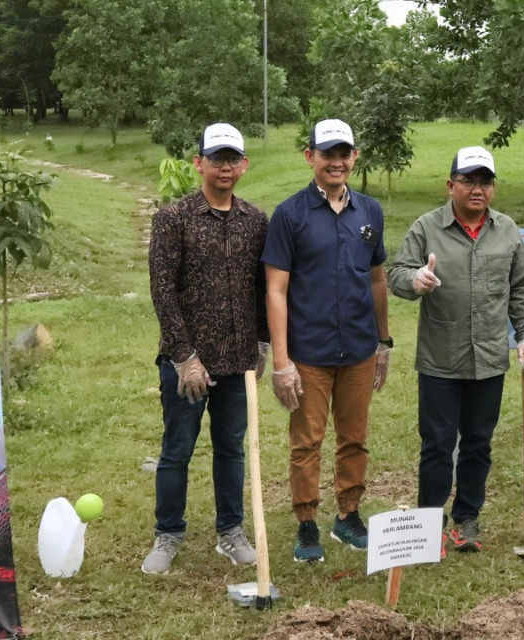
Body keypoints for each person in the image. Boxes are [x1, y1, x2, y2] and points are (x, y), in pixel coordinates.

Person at [388, 146, 524, 554]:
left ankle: (467, 518)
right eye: (468, 181)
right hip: (440, 358)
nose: (477, 189)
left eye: (485, 182)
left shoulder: (506, 230)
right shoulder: (427, 227)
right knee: (437, 443)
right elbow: (396, 272)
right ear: (450, 185)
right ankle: (429, 523)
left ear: (493, 188)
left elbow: (520, 288)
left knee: (478, 442)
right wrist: (415, 280)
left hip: (488, 359)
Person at [141, 123, 270, 575]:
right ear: (199, 163)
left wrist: (262, 343)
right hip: (186, 364)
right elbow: (162, 290)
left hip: (237, 362)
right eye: (217, 159)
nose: (225, 168)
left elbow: (262, 288)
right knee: (177, 449)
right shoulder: (173, 219)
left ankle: (230, 531)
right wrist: (185, 357)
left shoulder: (256, 221)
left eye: (233, 159)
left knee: (231, 449)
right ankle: (168, 533)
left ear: (244, 165)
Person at [261, 118, 391, 563]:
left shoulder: (370, 212)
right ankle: (307, 522)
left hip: (359, 349)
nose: (336, 162)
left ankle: (348, 515)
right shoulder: (290, 215)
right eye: (327, 154)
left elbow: (377, 280)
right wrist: (282, 361)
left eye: (344, 154)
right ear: (310, 157)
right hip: (309, 352)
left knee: (354, 438)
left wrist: (384, 342)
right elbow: (276, 290)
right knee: (307, 442)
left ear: (355, 157)